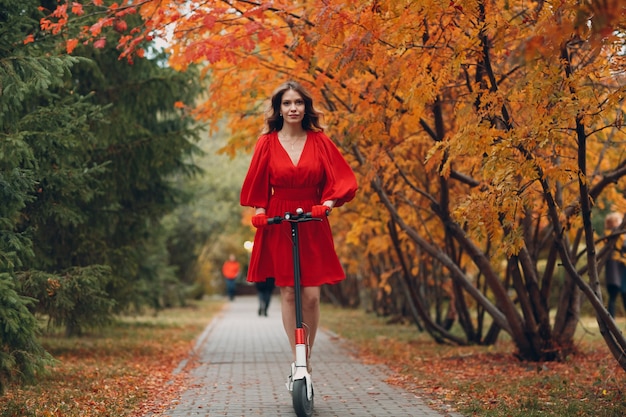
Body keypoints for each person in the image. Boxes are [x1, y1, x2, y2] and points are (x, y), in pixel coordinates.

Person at [240, 80, 358, 380]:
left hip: (312, 219)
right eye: (287, 103)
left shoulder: (320, 141)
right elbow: (257, 186)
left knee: (312, 296)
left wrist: (327, 203)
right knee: (290, 293)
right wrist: (260, 212)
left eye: (298, 103)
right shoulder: (266, 143)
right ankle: (298, 362)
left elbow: (342, 178)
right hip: (279, 220)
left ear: (306, 107)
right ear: (279, 109)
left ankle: (307, 357)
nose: (293, 108)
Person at [604, 212, 626, 317]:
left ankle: (611, 321)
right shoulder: (620, 236)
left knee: (612, 298)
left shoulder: (607, 236)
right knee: (623, 297)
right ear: (616, 222)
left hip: (612, 274)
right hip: (621, 272)